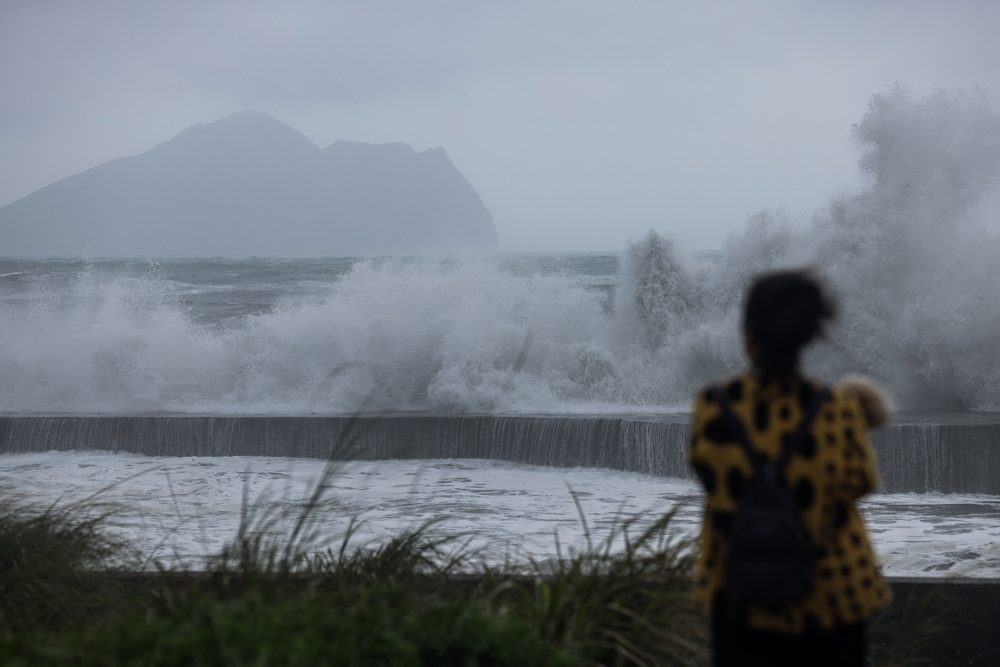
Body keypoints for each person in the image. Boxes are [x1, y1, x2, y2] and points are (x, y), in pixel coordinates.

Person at [688, 268, 892, 667]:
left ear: (748, 334)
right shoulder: (836, 408)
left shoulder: (715, 405)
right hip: (832, 593)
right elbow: (861, 481)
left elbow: (708, 475)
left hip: (740, 593)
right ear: (807, 338)